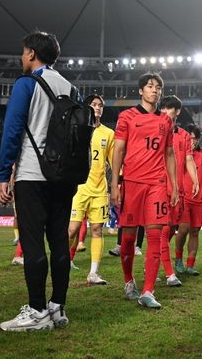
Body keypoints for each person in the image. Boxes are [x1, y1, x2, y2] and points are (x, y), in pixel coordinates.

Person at [0, 31, 79, 331]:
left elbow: (13, 129)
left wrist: (4, 173)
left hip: (32, 174)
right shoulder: (71, 88)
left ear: (32, 54)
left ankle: (36, 311)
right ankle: (57, 307)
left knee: (32, 245)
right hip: (63, 176)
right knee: (59, 241)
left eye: (23, 52)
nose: (22, 58)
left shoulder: (26, 84)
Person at [110, 73, 178, 309]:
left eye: (158, 87)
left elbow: (169, 153)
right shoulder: (126, 116)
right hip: (132, 182)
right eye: (150, 86)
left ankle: (148, 290)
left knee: (155, 235)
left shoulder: (166, 121)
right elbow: (118, 151)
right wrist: (114, 184)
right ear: (140, 91)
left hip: (157, 183)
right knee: (128, 238)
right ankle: (129, 281)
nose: (155, 90)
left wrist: (174, 184)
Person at [67, 94, 114, 286]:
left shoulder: (108, 134)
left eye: (100, 105)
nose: (97, 107)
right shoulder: (75, 129)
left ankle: (93, 273)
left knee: (97, 229)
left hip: (99, 189)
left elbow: (113, 161)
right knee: (71, 230)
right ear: (86, 107)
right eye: (94, 104)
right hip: (78, 188)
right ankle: (65, 262)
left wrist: (116, 184)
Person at [160, 96, 199, 285]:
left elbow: (189, 159)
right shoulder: (156, 130)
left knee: (172, 230)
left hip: (178, 190)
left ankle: (154, 258)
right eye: (165, 108)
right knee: (164, 229)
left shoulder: (183, 135)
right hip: (159, 187)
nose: (167, 111)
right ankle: (170, 274)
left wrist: (196, 180)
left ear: (177, 112)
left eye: (171, 108)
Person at [174, 123, 202, 275]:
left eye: (194, 139)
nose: (191, 142)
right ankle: (178, 260)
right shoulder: (180, 154)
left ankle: (190, 265)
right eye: (189, 138)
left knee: (195, 232)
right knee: (183, 229)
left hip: (199, 200)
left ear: (198, 139)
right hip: (183, 198)